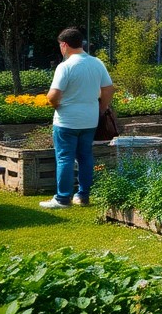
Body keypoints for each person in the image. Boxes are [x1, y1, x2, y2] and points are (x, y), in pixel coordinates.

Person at [39, 27, 115, 209]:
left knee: (64, 157)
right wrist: (102, 107)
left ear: (64, 45)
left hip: (67, 120)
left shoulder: (65, 66)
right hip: (90, 119)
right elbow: (108, 88)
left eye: (60, 46)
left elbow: (52, 96)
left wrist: (57, 105)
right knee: (85, 156)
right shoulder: (97, 63)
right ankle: (83, 196)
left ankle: (62, 198)